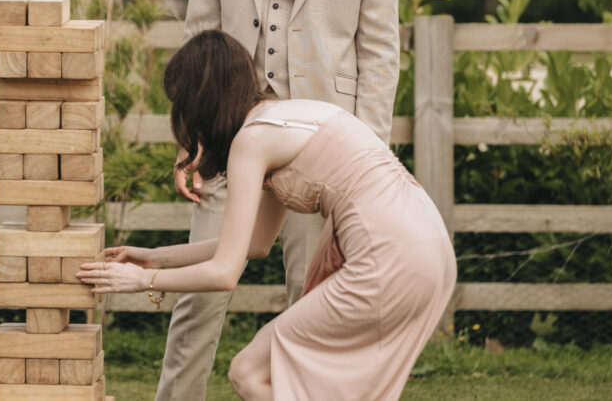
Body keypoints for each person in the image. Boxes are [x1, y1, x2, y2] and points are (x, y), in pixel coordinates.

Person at [158, 0, 401, 400]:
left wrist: (362, 158)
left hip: (321, 145)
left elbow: (378, 50)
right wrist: (191, 137)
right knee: (200, 296)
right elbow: (202, 29)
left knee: (310, 296)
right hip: (228, 131)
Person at [76, 30, 456, 400]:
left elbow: (224, 274)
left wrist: (144, 280)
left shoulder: (251, 141)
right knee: (287, 376)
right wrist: (156, 257)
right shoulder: (279, 119)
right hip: (431, 249)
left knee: (249, 371)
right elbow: (255, 244)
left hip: (388, 255)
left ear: (200, 104)